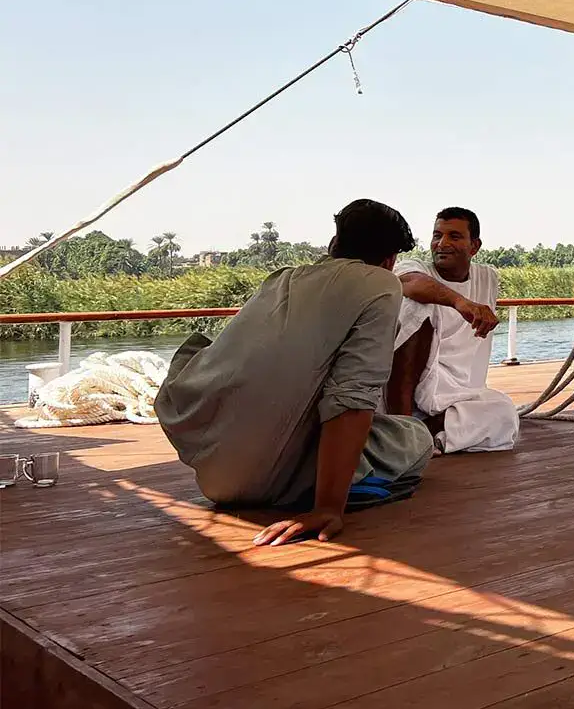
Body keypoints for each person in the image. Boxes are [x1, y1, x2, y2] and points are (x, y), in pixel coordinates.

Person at [156, 199, 435, 546]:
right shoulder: (381, 284)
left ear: (334, 243)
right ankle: (342, 486)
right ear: (390, 260)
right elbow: (352, 395)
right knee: (416, 437)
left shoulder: (284, 278)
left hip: (214, 472)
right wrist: (328, 508)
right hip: (266, 478)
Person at [386, 207, 519, 454]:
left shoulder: (486, 277)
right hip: (411, 386)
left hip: (457, 391)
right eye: (437, 236)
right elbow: (411, 284)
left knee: (504, 412)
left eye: (454, 237)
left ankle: (423, 433)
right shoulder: (415, 268)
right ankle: (400, 428)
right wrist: (460, 302)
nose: (442, 243)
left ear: (474, 246)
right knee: (417, 305)